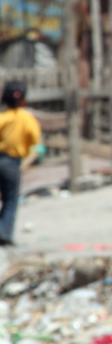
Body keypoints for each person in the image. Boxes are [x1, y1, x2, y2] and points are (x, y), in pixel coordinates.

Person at [0, 81, 41, 246]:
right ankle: (5, 234)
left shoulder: (2, 118)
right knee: (10, 199)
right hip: (12, 163)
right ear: (23, 100)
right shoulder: (27, 119)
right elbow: (37, 146)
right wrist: (28, 163)